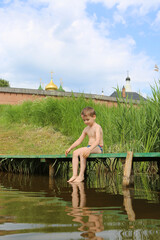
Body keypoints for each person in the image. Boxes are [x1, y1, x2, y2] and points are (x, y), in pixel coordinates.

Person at [65, 107, 103, 182]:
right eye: (84, 120)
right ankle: (74, 175)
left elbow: (97, 140)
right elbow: (79, 140)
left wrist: (89, 149)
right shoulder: (86, 129)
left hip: (98, 147)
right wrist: (70, 148)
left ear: (94, 117)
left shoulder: (97, 127)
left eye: (87, 119)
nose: (85, 122)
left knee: (83, 152)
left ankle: (81, 175)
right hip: (89, 147)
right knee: (75, 153)